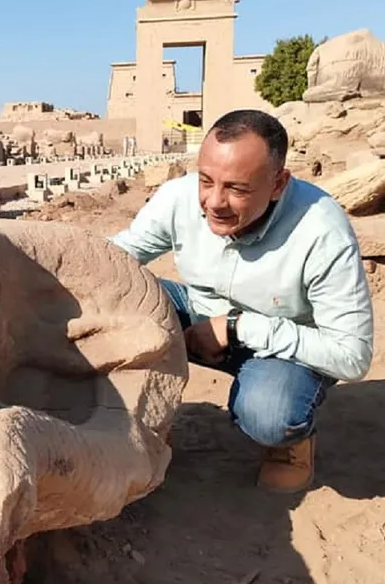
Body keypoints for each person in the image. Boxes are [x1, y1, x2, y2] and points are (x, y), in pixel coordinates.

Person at [109, 109, 373, 493]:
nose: (214, 202)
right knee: (116, 299)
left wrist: (236, 327)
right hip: (199, 316)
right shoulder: (179, 198)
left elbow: (353, 354)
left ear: (279, 183)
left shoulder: (321, 231)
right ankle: (150, 423)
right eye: (206, 180)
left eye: (237, 189)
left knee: (270, 415)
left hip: (283, 347)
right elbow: (116, 259)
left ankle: (291, 443)